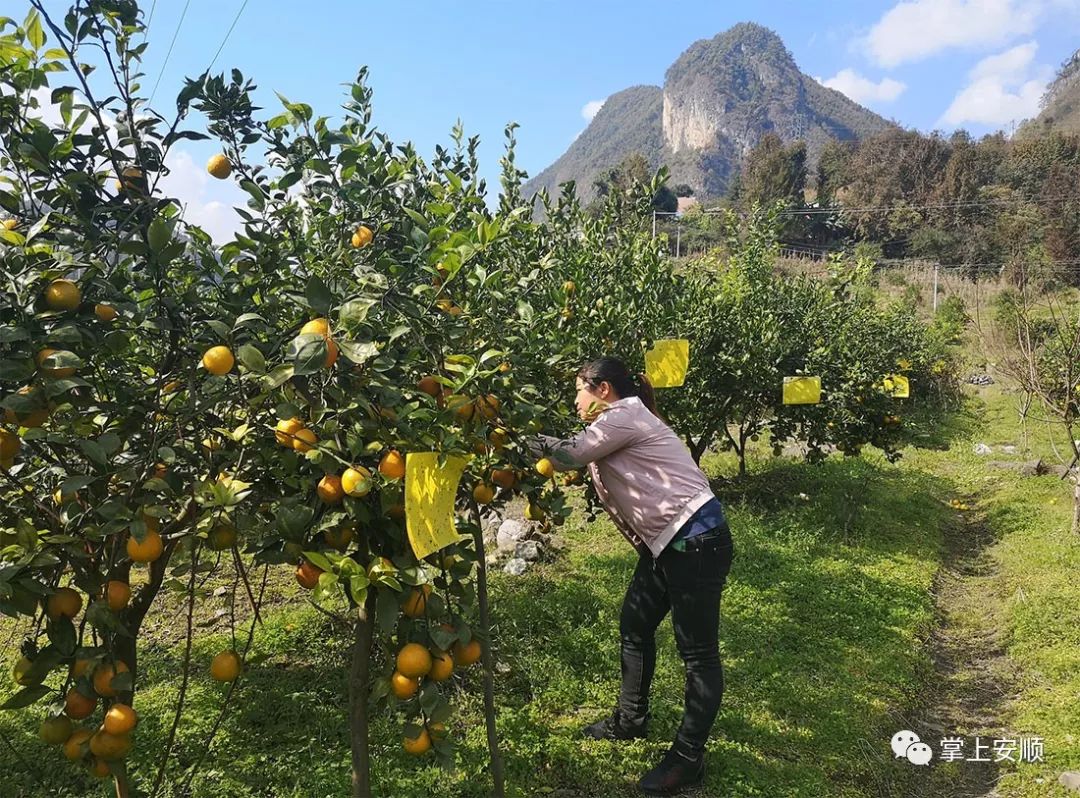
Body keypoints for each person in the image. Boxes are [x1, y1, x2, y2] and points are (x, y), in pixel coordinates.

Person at [530, 357, 735, 796]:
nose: (575, 401)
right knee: (635, 625)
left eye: (579, 392)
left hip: (695, 540)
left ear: (603, 389)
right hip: (670, 545)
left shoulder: (623, 415)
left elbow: (569, 454)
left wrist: (517, 440)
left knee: (698, 654)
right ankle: (631, 719)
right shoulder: (619, 421)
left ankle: (687, 759)